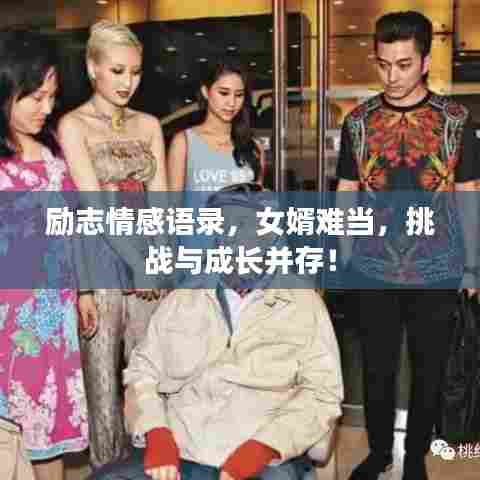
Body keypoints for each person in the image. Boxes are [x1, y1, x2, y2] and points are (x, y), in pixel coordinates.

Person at [88, 182, 344, 480]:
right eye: (226, 225)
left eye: (250, 225)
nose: (236, 237)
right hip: (184, 450)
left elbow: (323, 394)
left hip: (266, 456)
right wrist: (157, 434)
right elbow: (141, 373)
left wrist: (263, 448)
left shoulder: (303, 304)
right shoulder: (184, 298)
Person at [335, 11, 479, 480]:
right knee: (376, 368)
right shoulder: (358, 122)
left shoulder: (455, 120)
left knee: (429, 368)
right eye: (383, 64)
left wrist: (473, 266)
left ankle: (414, 455)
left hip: (439, 265)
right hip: (371, 266)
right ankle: (379, 452)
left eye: (403, 64)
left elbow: (468, 193)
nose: (391, 76)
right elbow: (346, 191)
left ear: (424, 62)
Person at [58, 20, 169, 469]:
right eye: (117, 71)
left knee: (151, 381)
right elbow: (94, 206)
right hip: (100, 261)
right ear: (92, 68)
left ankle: (154, 469)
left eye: (135, 72)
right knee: (102, 388)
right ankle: (107, 472)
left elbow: (161, 202)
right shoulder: (73, 125)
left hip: (148, 266)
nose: (128, 82)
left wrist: (158, 261)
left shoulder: (149, 124)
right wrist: (138, 263)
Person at [0, 29, 88, 480]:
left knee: (48, 429)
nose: (46, 108)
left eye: (52, 97)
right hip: (7, 318)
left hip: (54, 317)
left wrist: (85, 292)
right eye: (35, 97)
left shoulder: (54, 157)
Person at [168, 59, 265, 194]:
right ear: (205, 92)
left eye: (239, 95)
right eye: (224, 93)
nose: (231, 103)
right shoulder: (184, 142)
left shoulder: (253, 147)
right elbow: (172, 205)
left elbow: (257, 199)